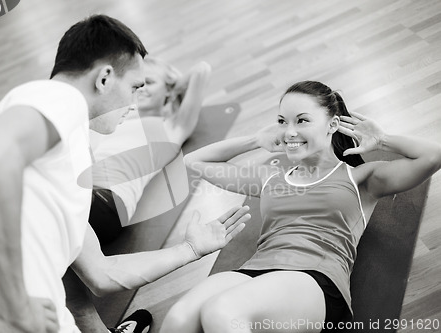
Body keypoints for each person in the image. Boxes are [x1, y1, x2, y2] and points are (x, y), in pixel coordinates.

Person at [0, 14, 250, 333]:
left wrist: (190, 249)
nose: (135, 102)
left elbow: (102, 274)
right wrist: (15, 302)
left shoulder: (62, 158)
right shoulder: (58, 99)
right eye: (134, 87)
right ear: (103, 79)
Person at [159, 80, 441, 333]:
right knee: (178, 320)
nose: (289, 132)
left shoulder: (361, 179)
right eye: (282, 121)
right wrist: (256, 140)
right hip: (253, 271)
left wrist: (382, 140)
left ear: (332, 124)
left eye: (302, 121)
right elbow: (194, 162)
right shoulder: (270, 177)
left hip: (314, 278)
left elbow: (433, 156)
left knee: (222, 313)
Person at [88, 57, 211, 242]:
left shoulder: (170, 128)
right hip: (80, 189)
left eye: (150, 83)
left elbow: (202, 70)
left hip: (107, 201)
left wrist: (172, 88)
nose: (142, 89)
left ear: (169, 91)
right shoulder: (114, 117)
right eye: (137, 85)